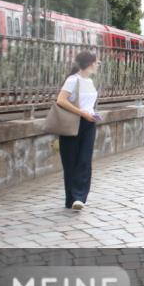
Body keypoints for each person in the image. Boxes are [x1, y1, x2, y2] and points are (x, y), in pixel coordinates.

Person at [56, 51, 101, 210]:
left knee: (84, 160)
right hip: (73, 122)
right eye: (96, 62)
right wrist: (82, 113)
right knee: (70, 160)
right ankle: (71, 198)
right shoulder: (72, 80)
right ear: (90, 63)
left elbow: (88, 104)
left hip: (89, 123)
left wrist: (92, 114)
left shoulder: (89, 81)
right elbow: (61, 100)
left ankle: (79, 197)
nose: (98, 65)